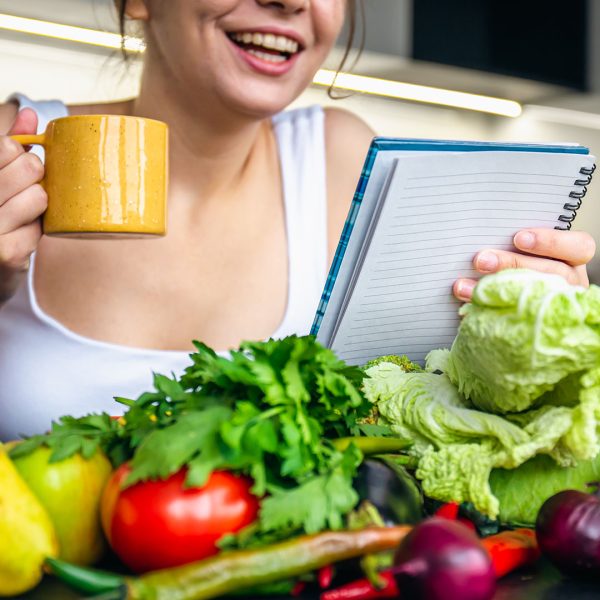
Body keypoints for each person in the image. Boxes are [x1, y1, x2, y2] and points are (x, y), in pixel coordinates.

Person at [0, 0, 595, 440]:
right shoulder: (12, 150)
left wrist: (535, 334)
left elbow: (433, 409)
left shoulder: (347, 163)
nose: (291, 3)